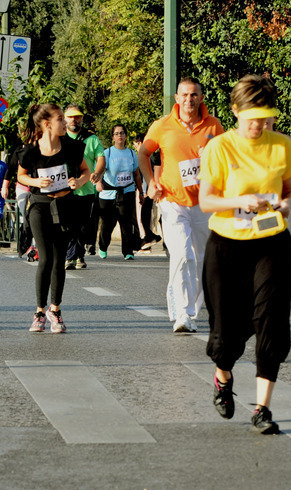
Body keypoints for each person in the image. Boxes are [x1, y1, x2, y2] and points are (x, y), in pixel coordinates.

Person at [198, 75, 291, 435]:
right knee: (226, 336)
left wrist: (287, 205)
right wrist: (240, 201)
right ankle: (223, 377)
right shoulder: (219, 148)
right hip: (227, 247)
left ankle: (262, 408)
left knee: (270, 323)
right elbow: (206, 201)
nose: (259, 124)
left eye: (265, 116)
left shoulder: (281, 145)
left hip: (271, 243)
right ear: (235, 112)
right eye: (252, 117)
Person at [139, 77, 225, 334]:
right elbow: (143, 153)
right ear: (176, 98)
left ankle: (193, 312)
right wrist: (150, 182)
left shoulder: (213, 125)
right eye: (184, 95)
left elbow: (223, 157)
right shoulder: (162, 126)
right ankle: (182, 315)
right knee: (181, 255)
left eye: (194, 95)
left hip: (203, 203)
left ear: (201, 98)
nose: (189, 99)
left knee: (200, 260)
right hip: (171, 201)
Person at [16, 103, 92, 333]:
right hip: (40, 206)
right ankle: (39, 311)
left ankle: (55, 310)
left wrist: (78, 182)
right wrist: (36, 182)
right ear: (47, 124)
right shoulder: (31, 151)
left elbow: (86, 171)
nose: (65, 122)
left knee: (60, 261)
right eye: (60, 118)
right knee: (46, 258)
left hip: (64, 206)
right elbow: (21, 175)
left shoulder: (72, 146)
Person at [62, 105, 106, 269]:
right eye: (71, 116)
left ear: (82, 118)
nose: (74, 120)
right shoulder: (60, 137)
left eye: (77, 116)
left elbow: (101, 158)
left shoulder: (91, 139)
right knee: (68, 224)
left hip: (86, 188)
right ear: (65, 118)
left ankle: (78, 255)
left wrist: (98, 172)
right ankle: (70, 256)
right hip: (64, 189)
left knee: (82, 225)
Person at [97, 124, 141, 260]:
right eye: (116, 133)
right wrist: (98, 182)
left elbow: (137, 174)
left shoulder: (132, 153)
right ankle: (103, 246)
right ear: (113, 137)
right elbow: (99, 170)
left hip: (127, 191)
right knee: (108, 223)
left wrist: (141, 191)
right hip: (108, 193)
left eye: (122, 133)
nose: (120, 136)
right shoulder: (107, 153)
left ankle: (128, 251)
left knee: (126, 222)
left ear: (126, 136)